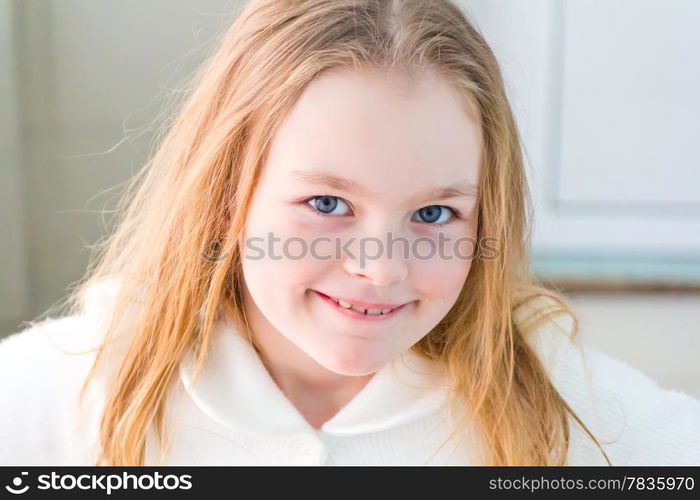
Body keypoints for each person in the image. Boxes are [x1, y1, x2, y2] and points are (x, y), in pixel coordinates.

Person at [1, 0, 699, 466]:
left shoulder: (554, 395)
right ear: (224, 198)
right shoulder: (67, 389)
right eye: (328, 203)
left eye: (434, 215)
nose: (382, 268)